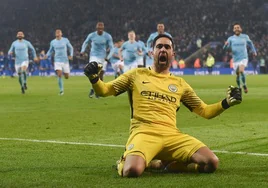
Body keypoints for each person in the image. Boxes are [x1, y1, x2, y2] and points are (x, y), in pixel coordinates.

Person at [84, 34, 242, 177]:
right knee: (131, 171)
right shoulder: (136, 75)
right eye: (159, 46)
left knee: (211, 162)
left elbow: (204, 111)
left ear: (173, 54)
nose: (163, 50)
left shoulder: (180, 84)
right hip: (144, 133)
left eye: (167, 47)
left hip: (172, 135)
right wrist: (94, 79)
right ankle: (123, 162)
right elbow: (105, 90)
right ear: (151, 52)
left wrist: (226, 103)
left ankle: (170, 166)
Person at [80, 22, 113, 98]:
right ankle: (95, 90)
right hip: (93, 56)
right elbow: (86, 42)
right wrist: (82, 51)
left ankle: (97, 90)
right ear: (96, 28)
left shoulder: (107, 36)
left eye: (101, 28)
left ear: (103, 28)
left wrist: (108, 57)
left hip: (103, 57)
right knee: (93, 73)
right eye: (99, 28)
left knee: (101, 75)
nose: (100, 30)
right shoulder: (92, 35)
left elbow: (112, 48)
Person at [223, 23, 257, 93]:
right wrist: (225, 45)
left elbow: (250, 44)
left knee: (241, 70)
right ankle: (239, 87)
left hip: (244, 57)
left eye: (238, 27)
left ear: (240, 29)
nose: (237, 29)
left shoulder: (245, 37)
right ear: (233, 30)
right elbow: (225, 48)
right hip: (235, 59)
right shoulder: (231, 39)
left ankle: (244, 85)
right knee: (238, 75)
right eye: (235, 28)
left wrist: (254, 51)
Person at [46, 29, 73, 95]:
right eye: (56, 32)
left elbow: (71, 48)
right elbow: (50, 50)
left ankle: (66, 74)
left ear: (61, 34)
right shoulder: (53, 42)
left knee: (67, 77)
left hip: (65, 61)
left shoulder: (65, 40)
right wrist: (46, 55)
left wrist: (71, 55)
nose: (58, 33)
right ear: (55, 34)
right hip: (57, 61)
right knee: (59, 74)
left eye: (59, 32)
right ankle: (61, 91)